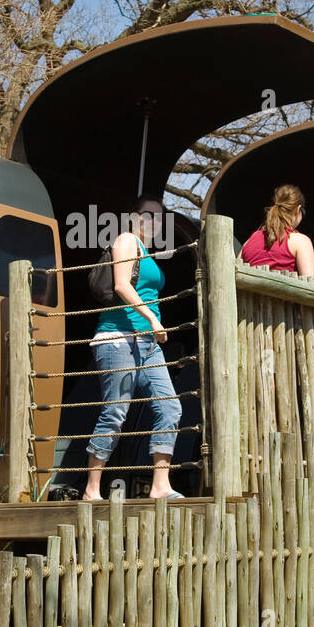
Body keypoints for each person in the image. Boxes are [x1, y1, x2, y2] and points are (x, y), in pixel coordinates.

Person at [82, 194, 183, 502]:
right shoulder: (126, 240)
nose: (151, 222)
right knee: (115, 412)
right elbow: (122, 285)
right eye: (146, 216)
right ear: (133, 217)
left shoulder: (148, 252)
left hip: (148, 345)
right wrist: (153, 318)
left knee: (170, 407)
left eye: (157, 218)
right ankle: (91, 490)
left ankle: (160, 486)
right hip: (118, 340)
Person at [239, 184, 314, 278]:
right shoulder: (301, 242)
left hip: (245, 292)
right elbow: (311, 285)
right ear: (298, 209)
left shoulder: (250, 240)